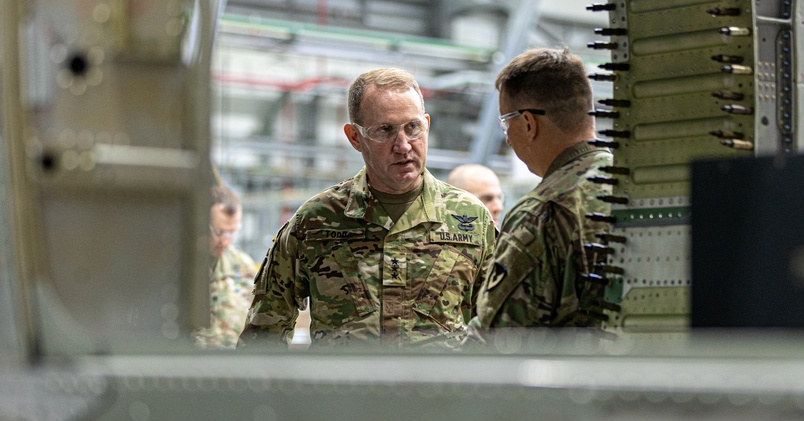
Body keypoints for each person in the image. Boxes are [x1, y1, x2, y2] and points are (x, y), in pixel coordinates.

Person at [242, 67, 496, 347]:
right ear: (354, 138)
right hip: (347, 391)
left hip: (438, 390)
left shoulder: (471, 220)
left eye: (413, 128)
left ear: (427, 124)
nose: (403, 145)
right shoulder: (315, 222)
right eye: (384, 130)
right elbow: (263, 335)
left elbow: (496, 328)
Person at [470, 47, 620, 331]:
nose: (509, 140)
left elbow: (497, 338)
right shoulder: (631, 183)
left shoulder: (542, 214)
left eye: (506, 123)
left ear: (528, 123)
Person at [194, 184, 260, 348]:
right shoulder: (179, 266)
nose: (226, 241)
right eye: (219, 232)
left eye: (233, 232)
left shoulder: (243, 267)